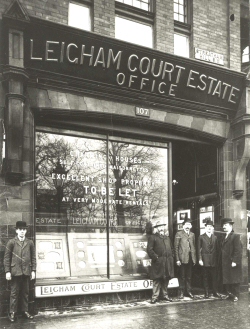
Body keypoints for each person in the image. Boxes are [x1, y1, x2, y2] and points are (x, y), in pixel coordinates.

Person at [4, 221, 36, 322]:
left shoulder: (30, 242)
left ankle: (25, 311)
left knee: (25, 292)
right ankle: (12, 312)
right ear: (17, 230)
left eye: (24, 230)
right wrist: (7, 271)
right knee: (14, 293)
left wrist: (33, 270)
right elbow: (7, 258)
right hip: (15, 272)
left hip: (26, 271)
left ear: (26, 231)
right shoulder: (11, 242)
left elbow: (33, 258)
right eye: (20, 229)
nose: (22, 231)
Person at [147, 220, 174, 304]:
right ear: (157, 228)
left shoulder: (167, 238)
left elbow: (172, 249)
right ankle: (155, 297)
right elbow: (149, 250)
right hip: (158, 262)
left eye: (162, 226)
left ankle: (165, 296)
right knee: (157, 280)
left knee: (166, 279)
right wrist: (156, 258)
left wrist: (171, 257)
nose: (161, 228)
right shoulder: (153, 237)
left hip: (167, 262)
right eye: (159, 227)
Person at [220, 218, 242, 302]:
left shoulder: (235, 236)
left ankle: (235, 295)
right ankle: (230, 294)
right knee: (228, 278)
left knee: (234, 279)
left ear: (231, 226)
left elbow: (238, 250)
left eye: (225, 225)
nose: (223, 227)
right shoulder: (225, 236)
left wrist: (235, 261)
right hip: (226, 262)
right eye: (223, 225)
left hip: (232, 262)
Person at [198, 219, 221, 298]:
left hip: (213, 261)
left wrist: (217, 261)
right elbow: (198, 249)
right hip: (205, 260)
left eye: (211, 227)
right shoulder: (201, 237)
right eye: (208, 226)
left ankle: (215, 292)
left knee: (214, 277)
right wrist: (200, 259)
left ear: (212, 228)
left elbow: (217, 250)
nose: (209, 228)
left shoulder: (215, 237)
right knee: (205, 277)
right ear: (205, 227)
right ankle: (206, 293)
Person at [174, 218, 196, 299]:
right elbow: (176, 247)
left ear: (191, 226)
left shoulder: (192, 234)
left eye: (189, 225)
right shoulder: (178, 234)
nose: (187, 226)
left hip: (190, 258)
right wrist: (177, 259)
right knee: (182, 276)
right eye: (186, 225)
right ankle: (181, 292)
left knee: (189, 276)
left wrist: (194, 259)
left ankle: (189, 291)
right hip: (182, 258)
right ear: (183, 226)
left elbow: (193, 246)